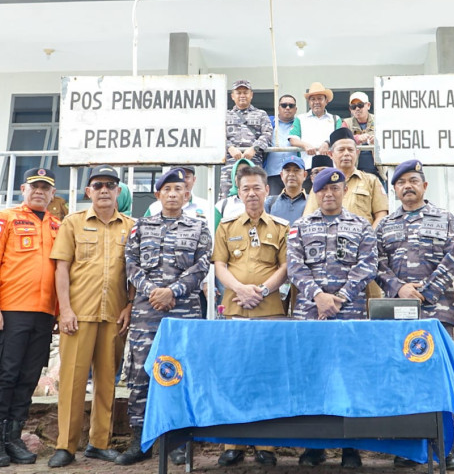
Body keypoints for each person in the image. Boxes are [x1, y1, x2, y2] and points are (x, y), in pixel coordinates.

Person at [115, 167, 212, 465]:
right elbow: (130, 264)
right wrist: (153, 292)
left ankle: (178, 440)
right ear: (158, 194)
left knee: (181, 372)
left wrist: (173, 292)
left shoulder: (199, 227)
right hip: (147, 313)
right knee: (141, 374)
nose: (172, 194)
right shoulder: (141, 227)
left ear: (187, 194)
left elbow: (201, 266)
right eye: (167, 190)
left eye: (178, 189)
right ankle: (140, 440)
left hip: (184, 314)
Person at [376, 159, 454, 470]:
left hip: (436, 313)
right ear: (395, 190)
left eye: (413, 181)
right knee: (402, 378)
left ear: (424, 186)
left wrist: (426, 291)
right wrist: (400, 288)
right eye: (401, 183)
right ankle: (409, 445)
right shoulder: (385, 225)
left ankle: (448, 447)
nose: (407, 187)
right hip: (398, 316)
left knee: (442, 378)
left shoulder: (445, 219)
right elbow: (376, 264)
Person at [287, 167, 377, 469]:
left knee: (349, 376)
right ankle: (314, 446)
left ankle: (351, 447)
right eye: (323, 189)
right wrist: (318, 296)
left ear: (344, 191)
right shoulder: (300, 227)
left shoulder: (361, 226)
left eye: (335, 189)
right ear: (315, 193)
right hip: (310, 314)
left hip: (348, 313)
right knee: (312, 376)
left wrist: (340, 298)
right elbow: (294, 267)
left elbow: (368, 266)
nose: (329, 194)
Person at [47, 166, 133, 468]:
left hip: (114, 315)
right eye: (98, 185)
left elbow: (135, 272)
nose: (104, 190)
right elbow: (61, 268)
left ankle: (100, 443)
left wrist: (130, 305)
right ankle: (66, 446)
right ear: (88, 192)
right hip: (79, 315)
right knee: (72, 382)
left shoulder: (131, 227)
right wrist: (65, 310)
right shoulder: (73, 223)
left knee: (107, 382)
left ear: (118, 191)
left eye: (110, 185)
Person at [0, 168, 61, 467]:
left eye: (45, 188)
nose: (39, 192)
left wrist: (58, 311)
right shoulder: (6, 218)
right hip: (10, 311)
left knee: (28, 378)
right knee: (5, 375)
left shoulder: (58, 225)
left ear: (53, 194)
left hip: (44, 314)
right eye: (34, 187)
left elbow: (63, 271)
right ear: (23, 189)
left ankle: (13, 438)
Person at [212, 165, 288, 467]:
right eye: (246, 188)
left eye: (257, 187)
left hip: (269, 311)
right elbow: (220, 265)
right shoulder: (226, 227)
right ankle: (233, 443)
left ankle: (266, 445)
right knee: (235, 373)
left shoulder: (281, 227)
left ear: (267, 190)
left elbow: (286, 267)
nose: (252, 193)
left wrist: (263, 290)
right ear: (239, 193)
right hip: (235, 309)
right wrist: (241, 289)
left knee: (268, 374)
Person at [302, 128, 388, 228]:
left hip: (363, 236)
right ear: (330, 154)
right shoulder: (321, 183)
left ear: (357, 153)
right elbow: (309, 217)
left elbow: (381, 215)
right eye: (341, 150)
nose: (346, 153)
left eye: (350, 150)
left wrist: (368, 236)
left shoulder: (371, 181)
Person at [219, 80, 272, 200]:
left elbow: (267, 134)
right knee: (227, 198)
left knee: (254, 196)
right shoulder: (224, 115)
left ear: (251, 95)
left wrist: (254, 148)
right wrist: (230, 148)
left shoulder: (261, 114)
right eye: (239, 93)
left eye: (245, 92)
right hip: (230, 164)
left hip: (253, 162)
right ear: (232, 96)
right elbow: (217, 135)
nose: (242, 95)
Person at [288, 82, 345, 173]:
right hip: (307, 166)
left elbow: (340, 138)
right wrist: (305, 145)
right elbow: (293, 139)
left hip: (330, 166)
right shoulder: (300, 118)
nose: (316, 102)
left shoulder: (335, 119)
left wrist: (327, 143)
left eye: (320, 98)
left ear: (326, 101)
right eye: (313, 99)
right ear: (309, 102)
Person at [143, 165, 210, 223]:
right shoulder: (154, 208)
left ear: (194, 180)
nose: (182, 180)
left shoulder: (207, 207)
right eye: (177, 176)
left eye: (186, 177)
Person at [264, 94, 299, 195]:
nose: (287, 108)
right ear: (278, 108)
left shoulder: (299, 124)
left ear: (295, 109)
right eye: (284, 105)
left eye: (291, 106)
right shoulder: (269, 122)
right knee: (272, 202)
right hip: (272, 173)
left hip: (294, 173)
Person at [345, 92, 382, 180]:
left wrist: (377, 141)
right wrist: (356, 138)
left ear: (368, 105)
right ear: (350, 109)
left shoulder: (379, 120)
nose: (357, 109)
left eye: (360, 105)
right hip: (355, 174)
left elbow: (389, 138)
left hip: (378, 172)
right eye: (353, 106)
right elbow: (341, 140)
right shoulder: (346, 123)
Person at [264, 155, 308, 224]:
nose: (291, 174)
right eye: (287, 170)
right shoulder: (270, 203)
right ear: (281, 175)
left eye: (296, 170)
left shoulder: (312, 202)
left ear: (304, 175)